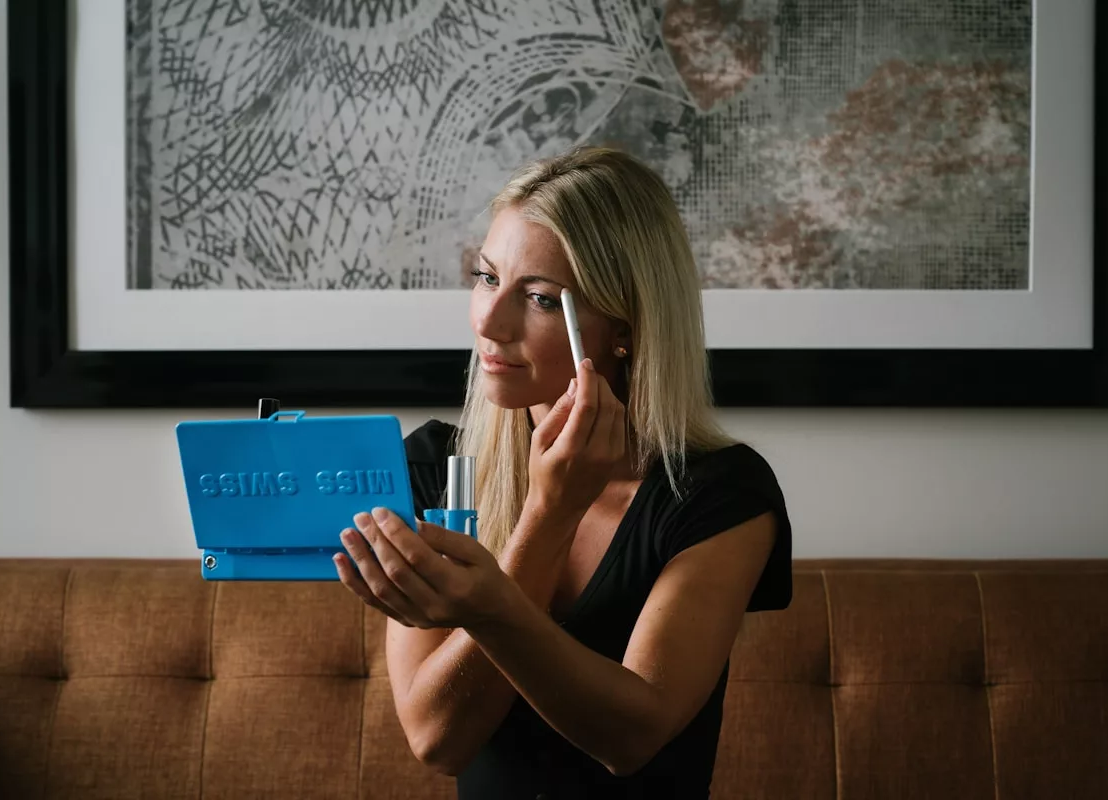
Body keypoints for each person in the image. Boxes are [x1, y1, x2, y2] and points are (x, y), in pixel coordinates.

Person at [332, 146, 793, 798]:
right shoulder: (436, 466)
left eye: (541, 299)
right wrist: (546, 518)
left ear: (622, 329)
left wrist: (548, 516)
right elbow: (437, 740)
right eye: (487, 278)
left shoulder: (720, 496)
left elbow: (631, 740)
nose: (488, 322)